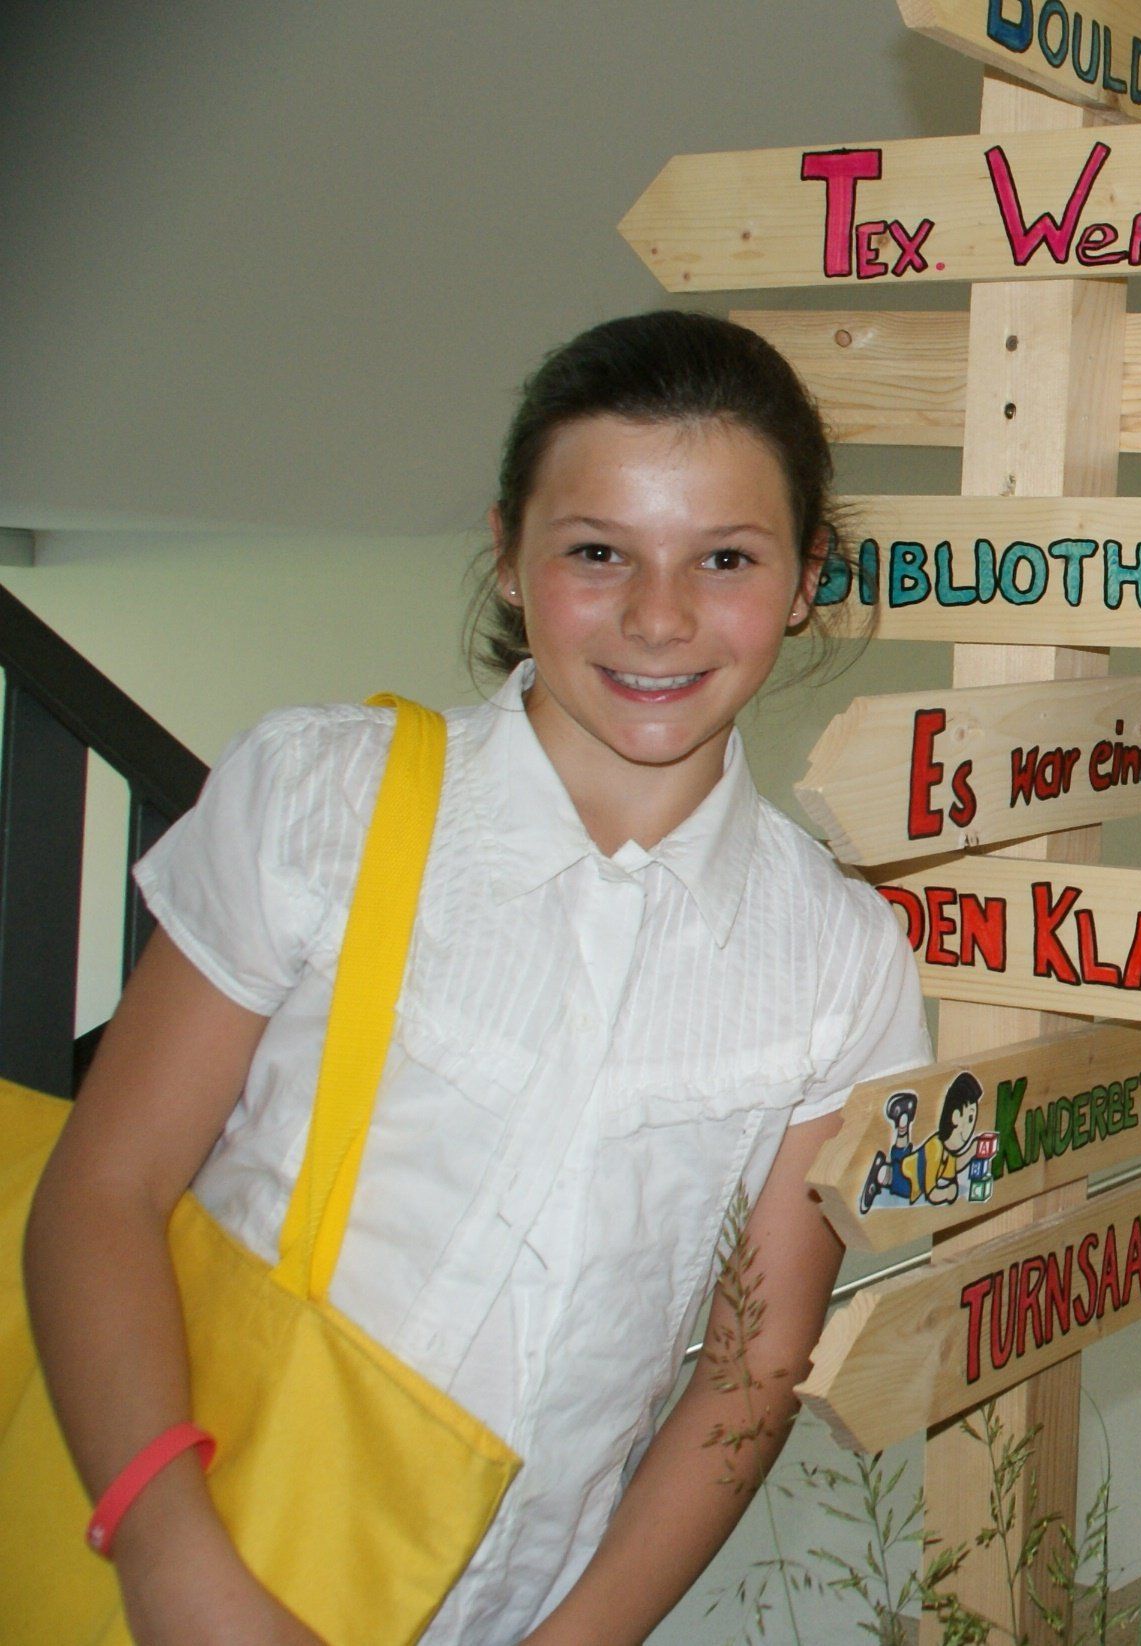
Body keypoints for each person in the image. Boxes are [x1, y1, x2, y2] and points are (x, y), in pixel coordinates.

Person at [23, 310, 931, 1644]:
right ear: (509, 555)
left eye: (726, 557)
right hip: (182, 1559)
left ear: (807, 579)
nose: (659, 616)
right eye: (597, 551)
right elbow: (103, 1190)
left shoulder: (838, 958)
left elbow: (754, 1368)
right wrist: (171, 1560)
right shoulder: (322, 798)